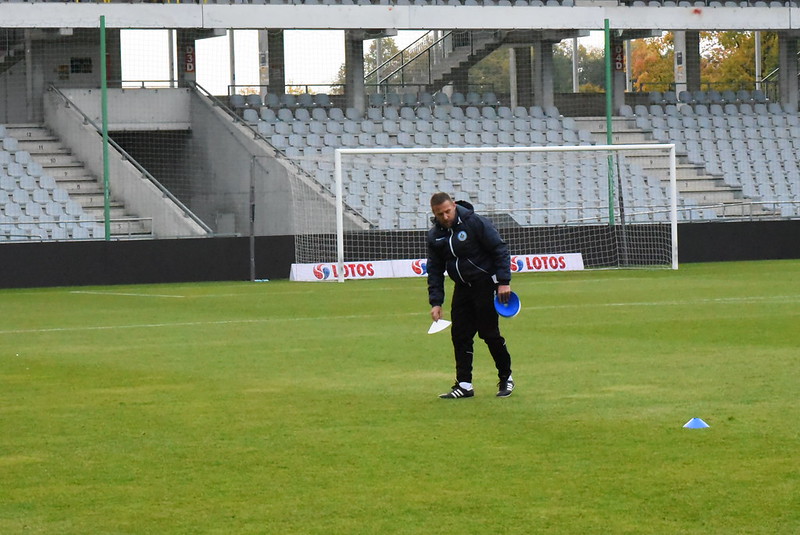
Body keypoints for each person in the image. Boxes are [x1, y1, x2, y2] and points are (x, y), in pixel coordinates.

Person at [426, 191, 514, 399]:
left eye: (447, 211)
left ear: (454, 205)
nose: (445, 217)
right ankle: (464, 384)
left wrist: (503, 282)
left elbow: (499, 249)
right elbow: (435, 270)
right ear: (434, 213)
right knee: (460, 335)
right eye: (440, 214)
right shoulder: (434, 235)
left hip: (485, 285)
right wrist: (436, 302)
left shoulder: (475, 223)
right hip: (462, 288)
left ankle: (506, 377)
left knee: (489, 334)